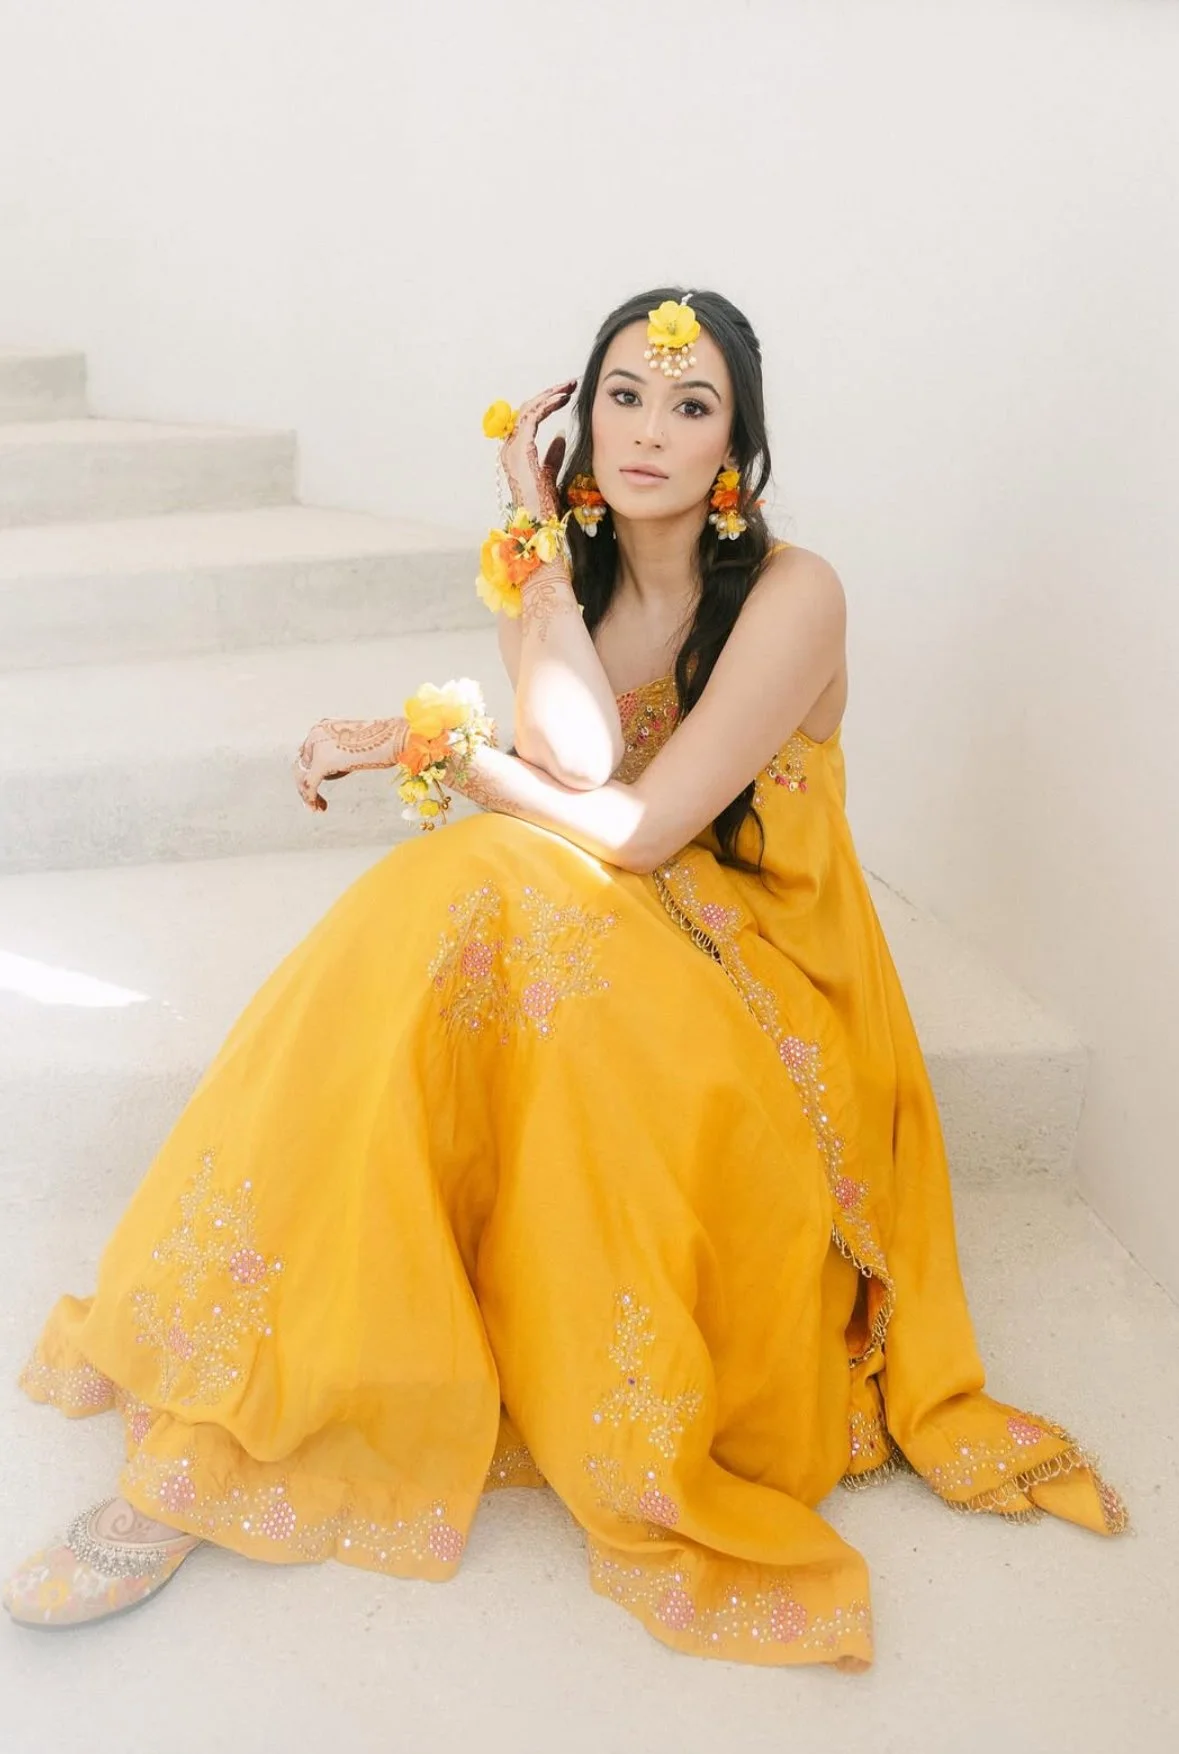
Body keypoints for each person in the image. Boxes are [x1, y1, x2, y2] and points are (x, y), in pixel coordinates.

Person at [3, 287, 1126, 1670]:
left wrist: (432, 750)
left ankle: (227, 1424)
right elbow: (583, 762)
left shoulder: (795, 595)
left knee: (481, 869)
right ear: (578, 424)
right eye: (623, 397)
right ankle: (215, 1418)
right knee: (468, 893)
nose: (649, 431)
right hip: (620, 941)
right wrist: (537, 546)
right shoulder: (553, 581)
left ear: (736, 452)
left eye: (691, 405)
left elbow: (641, 828)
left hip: (767, 996)